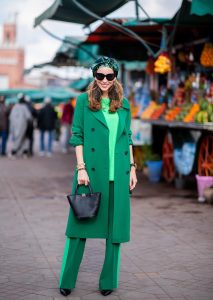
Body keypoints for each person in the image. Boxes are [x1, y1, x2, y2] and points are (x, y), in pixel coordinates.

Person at [58, 56, 137, 297]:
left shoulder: (123, 104)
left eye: (109, 76)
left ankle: (108, 282)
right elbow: (77, 136)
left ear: (115, 78)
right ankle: (67, 280)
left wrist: (132, 167)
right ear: (94, 76)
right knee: (78, 228)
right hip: (90, 174)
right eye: (100, 75)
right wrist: (81, 168)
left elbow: (128, 137)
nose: (104, 80)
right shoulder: (83, 101)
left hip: (120, 174)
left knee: (115, 233)